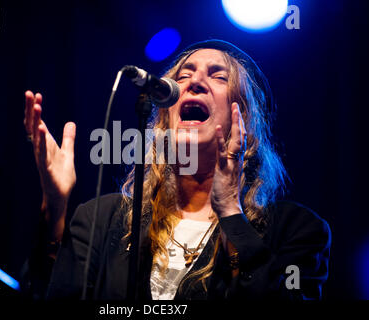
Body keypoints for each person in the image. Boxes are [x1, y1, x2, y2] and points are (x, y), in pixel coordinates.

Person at [23, 40, 331, 300]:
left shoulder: (295, 230)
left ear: (245, 120)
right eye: (183, 76)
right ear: (162, 118)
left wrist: (229, 212)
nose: (195, 82)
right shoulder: (102, 220)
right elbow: (48, 290)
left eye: (219, 77)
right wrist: (56, 205)